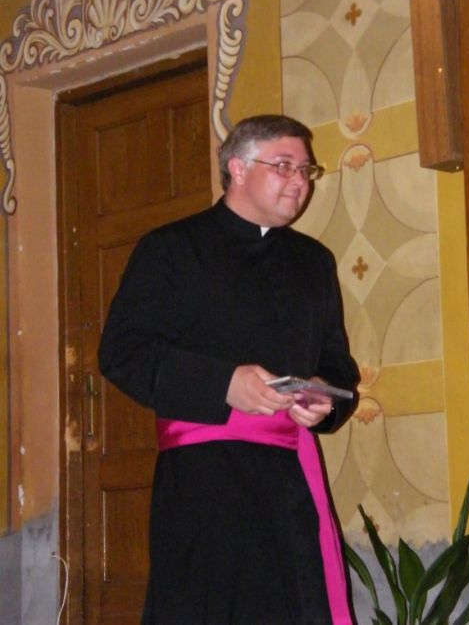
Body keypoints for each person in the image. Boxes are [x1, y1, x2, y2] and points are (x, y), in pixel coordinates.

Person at [98, 114, 360, 625]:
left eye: (306, 170)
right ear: (237, 168)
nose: (299, 182)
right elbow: (122, 351)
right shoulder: (171, 249)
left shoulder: (314, 262)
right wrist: (224, 384)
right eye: (283, 166)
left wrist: (324, 396)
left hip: (289, 478)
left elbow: (337, 361)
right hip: (206, 482)